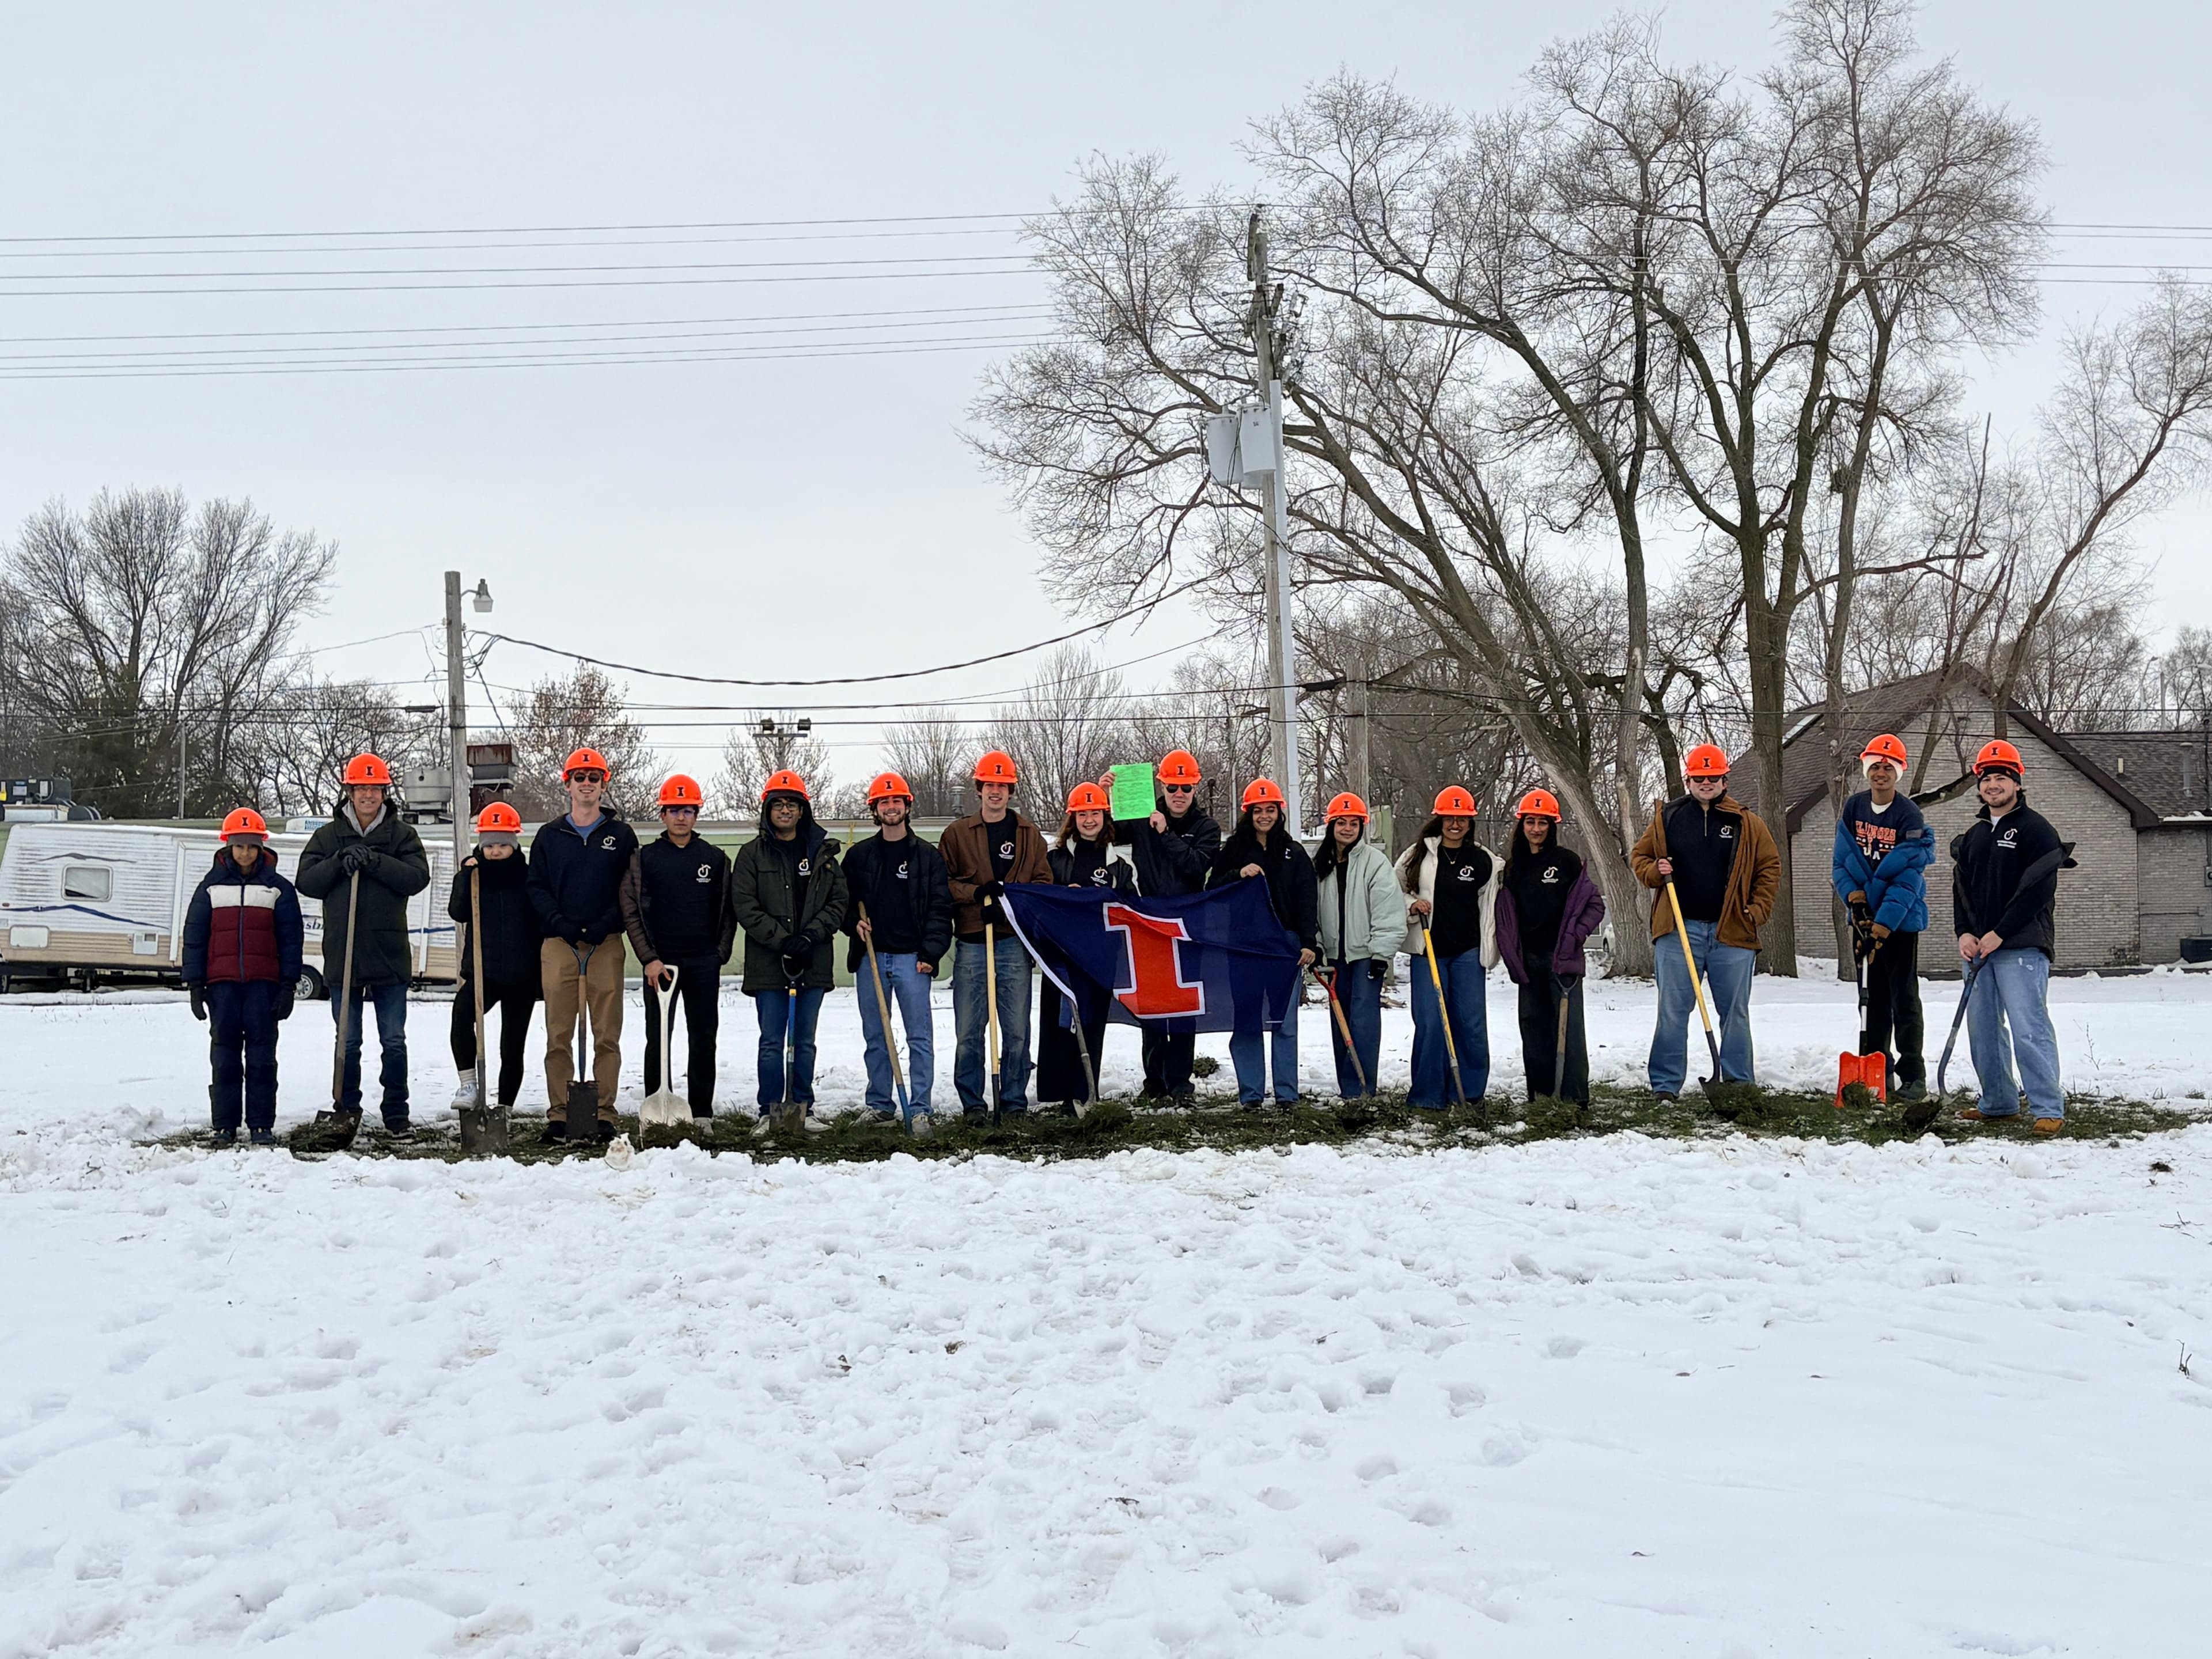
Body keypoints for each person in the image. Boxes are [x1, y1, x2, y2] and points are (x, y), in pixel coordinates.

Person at [1631, 743, 1781, 1100]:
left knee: (1735, 1013)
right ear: (1689, 780)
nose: (1706, 782)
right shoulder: (1667, 818)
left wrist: (1757, 910)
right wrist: (1655, 870)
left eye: (1713, 777)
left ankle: (1739, 1085)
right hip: (1679, 932)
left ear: (1725, 780)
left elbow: (1770, 867)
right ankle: (1665, 1086)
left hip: (1732, 933)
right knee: (1672, 1011)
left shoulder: (1746, 822)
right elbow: (1639, 857)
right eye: (1699, 777)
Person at [296, 752, 433, 1138]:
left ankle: (396, 1114)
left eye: (375, 788)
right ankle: (347, 1107)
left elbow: (417, 877)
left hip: (389, 955)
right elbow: (306, 881)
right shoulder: (328, 836)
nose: (368, 795)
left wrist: (375, 862)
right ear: (350, 792)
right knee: (348, 1039)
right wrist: (340, 862)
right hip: (344, 953)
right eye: (361, 789)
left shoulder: (402, 835)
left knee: (393, 1040)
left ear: (384, 793)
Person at [1953, 739, 2071, 1134]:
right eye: (1988, 778)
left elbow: (2038, 891)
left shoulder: (2036, 830)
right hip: (1979, 951)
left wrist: (2000, 933)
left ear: (2017, 783)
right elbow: (1961, 890)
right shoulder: (1974, 835)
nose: (1994, 785)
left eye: (2002, 777)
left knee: (2028, 1028)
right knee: (1983, 1028)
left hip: (2021, 947)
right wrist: (1964, 933)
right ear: (1979, 786)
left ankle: (2047, 1108)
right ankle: (1999, 1102)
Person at [527, 747, 639, 1141]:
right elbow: (536, 887)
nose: (587, 785)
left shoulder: (621, 836)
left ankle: (603, 1113)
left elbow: (631, 888)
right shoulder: (549, 836)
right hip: (559, 944)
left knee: (606, 1034)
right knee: (559, 1033)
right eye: (580, 778)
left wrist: (605, 923)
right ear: (568, 784)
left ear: (603, 785)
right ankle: (559, 1113)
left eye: (594, 778)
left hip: (605, 942)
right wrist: (560, 922)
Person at [729, 768, 847, 1118]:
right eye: (778, 804)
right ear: (768, 810)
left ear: (802, 810)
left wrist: (811, 935)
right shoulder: (752, 855)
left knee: (804, 1041)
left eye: (792, 804)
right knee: (771, 1042)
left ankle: (801, 1107)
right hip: (770, 963)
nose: (785, 810)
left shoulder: (822, 854)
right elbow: (745, 905)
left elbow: (839, 902)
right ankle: (770, 1108)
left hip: (812, 959)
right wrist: (782, 941)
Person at [181, 809, 304, 1145]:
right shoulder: (209, 888)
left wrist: (288, 985)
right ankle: (224, 1124)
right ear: (228, 847)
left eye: (252, 847)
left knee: (263, 1058)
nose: (246, 853)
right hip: (222, 988)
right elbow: (195, 936)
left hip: (263, 988)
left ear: (261, 847)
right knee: (224, 1057)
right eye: (239, 846)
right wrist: (194, 984)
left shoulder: (279, 889)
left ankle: (261, 1125)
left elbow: (291, 939)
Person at [941, 749, 1052, 1116]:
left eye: (1003, 786)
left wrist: (1014, 902)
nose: (996, 792)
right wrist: (975, 894)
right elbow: (944, 883)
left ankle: (1014, 1102)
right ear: (979, 788)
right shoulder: (957, 834)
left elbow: (1042, 882)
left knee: (1017, 1030)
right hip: (973, 943)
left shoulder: (1029, 834)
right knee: (969, 1034)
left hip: (1013, 944)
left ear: (1011, 790)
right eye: (990, 785)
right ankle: (973, 1104)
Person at [1107, 748, 1221, 1104]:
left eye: (1186, 788)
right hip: (1149, 926)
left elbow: (1195, 866)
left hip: (1188, 927)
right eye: (1173, 787)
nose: (1179, 795)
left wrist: (1166, 832)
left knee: (1184, 1008)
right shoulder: (1140, 814)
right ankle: (1154, 1081)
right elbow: (1104, 832)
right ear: (1162, 785)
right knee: (1153, 1007)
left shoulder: (1207, 827)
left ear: (1195, 789)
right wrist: (1105, 795)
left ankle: (1181, 1083)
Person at [840, 770, 953, 1127]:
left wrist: (930, 954)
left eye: (896, 801)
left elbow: (940, 909)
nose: (891, 807)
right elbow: (841, 902)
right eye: (884, 802)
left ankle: (920, 1107)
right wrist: (851, 924)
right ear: (875, 809)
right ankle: (880, 1104)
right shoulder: (859, 857)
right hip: (871, 958)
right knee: (876, 1036)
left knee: (919, 1036)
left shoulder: (927, 858)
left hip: (912, 961)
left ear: (908, 806)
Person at [620, 774, 735, 1119]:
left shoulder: (715, 859)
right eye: (673, 810)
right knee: (658, 1039)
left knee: (704, 1038)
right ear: (663, 815)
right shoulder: (645, 858)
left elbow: (729, 911)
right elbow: (631, 910)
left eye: (687, 810)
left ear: (697, 814)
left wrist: (719, 956)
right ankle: (659, 1110)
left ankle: (701, 1113)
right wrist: (649, 959)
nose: (681, 817)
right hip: (662, 965)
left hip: (703, 962)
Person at [1830, 733, 1935, 1101]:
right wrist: (1855, 902)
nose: (1881, 772)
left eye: (1888, 767)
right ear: (1866, 770)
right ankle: (1877, 1070)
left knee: (1904, 998)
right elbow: (1842, 861)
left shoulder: (1909, 815)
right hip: (1863, 918)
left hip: (1899, 922)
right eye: (1875, 766)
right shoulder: (1854, 808)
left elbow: (1908, 877)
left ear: (1898, 773)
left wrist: (1884, 925)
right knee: (1871, 999)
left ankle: (1912, 1075)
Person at [1206, 778, 1317, 1106]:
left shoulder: (1294, 852)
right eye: (1258, 810)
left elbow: (1307, 900)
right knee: (1247, 1019)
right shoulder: (1234, 850)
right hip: (1244, 945)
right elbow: (1212, 891)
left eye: (1270, 810)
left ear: (1279, 812)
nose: (1264, 816)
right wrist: (1238, 874)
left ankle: (1287, 1094)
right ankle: (1251, 1094)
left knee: (1284, 1021)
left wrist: (1308, 942)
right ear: (1249, 813)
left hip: (1285, 945)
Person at [1494, 789, 1605, 1109]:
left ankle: (1574, 1100)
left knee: (1568, 1033)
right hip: (1527, 962)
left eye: (1543, 822)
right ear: (1522, 825)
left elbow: (1594, 905)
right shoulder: (1513, 868)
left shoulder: (1566, 862)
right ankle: (1541, 1098)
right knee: (1534, 1030)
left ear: (1552, 825)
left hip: (1562, 961)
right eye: (1531, 822)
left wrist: (1575, 937)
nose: (1537, 828)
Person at [1394, 786, 1497, 1109]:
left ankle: (1469, 1093)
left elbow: (1492, 904)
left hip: (1467, 953)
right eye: (1450, 817)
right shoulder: (1416, 855)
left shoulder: (1484, 860)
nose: (1455, 824)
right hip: (1429, 951)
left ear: (1470, 822)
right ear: (1439, 819)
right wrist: (1412, 904)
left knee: (1471, 1023)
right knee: (1430, 1022)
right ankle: (1427, 1095)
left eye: (1462, 818)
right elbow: (1392, 891)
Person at [1039, 781, 1138, 1112]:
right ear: (1073, 818)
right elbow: (1042, 898)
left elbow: (1131, 906)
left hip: (1098, 958)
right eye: (1082, 814)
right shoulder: (1054, 859)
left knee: (1092, 1025)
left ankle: (1086, 1090)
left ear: (1105, 816)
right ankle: (1061, 1093)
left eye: (1095, 812)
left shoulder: (1119, 863)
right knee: (1060, 1025)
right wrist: (1068, 894)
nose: (1089, 820)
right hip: (1061, 957)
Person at [447, 801, 542, 1112]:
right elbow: (457, 912)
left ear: (514, 844)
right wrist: (464, 878)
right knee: (461, 1017)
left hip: (521, 976)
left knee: (511, 1046)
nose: (496, 851)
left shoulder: (529, 878)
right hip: (483, 972)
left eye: (503, 844)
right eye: (490, 845)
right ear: (481, 845)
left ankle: (505, 1107)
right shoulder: (474, 877)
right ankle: (468, 1084)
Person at [1313, 792, 1402, 1099]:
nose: (1348, 829)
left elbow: (1388, 910)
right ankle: (1348, 1089)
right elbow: (1312, 911)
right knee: (1340, 1023)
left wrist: (1382, 953)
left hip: (1365, 955)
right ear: (1331, 825)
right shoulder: (1321, 864)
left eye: (1354, 823)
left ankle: (1365, 1087)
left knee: (1363, 1024)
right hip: (1335, 957)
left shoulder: (1375, 863)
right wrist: (1319, 948)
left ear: (1362, 827)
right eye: (1341, 822)